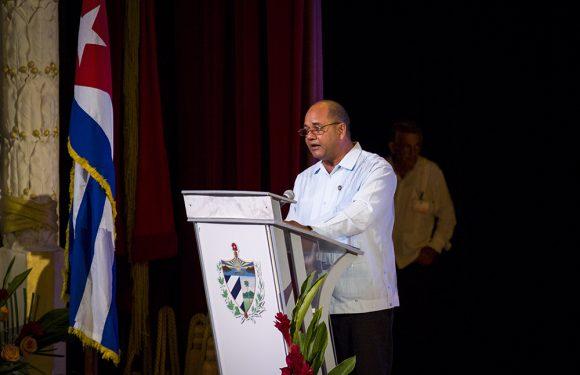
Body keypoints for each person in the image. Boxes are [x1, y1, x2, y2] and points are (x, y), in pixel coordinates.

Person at [286, 100, 399, 375]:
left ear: (340, 129)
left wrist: (310, 231)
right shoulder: (305, 179)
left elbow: (359, 215)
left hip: (365, 303)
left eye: (317, 128)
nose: (310, 136)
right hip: (317, 306)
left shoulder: (376, 169)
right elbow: (291, 230)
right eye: (305, 131)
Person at [388, 120, 456, 375]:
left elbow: (448, 215)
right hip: (386, 264)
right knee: (388, 330)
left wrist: (434, 246)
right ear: (393, 147)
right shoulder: (381, 172)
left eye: (416, 148)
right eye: (405, 147)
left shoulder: (431, 173)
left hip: (416, 263)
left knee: (418, 330)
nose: (411, 154)